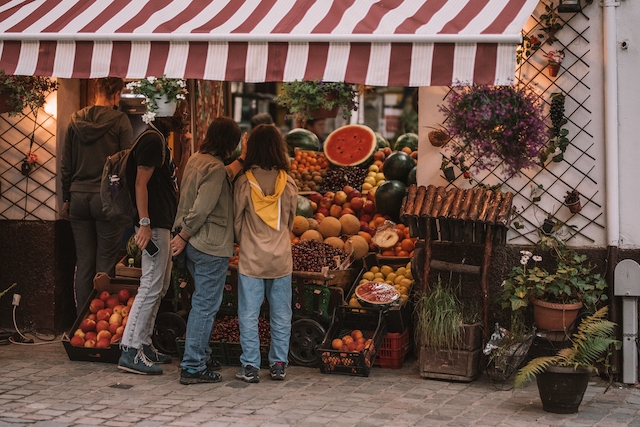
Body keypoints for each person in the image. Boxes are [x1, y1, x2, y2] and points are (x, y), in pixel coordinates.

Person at [170, 117, 247, 385]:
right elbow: (202, 207)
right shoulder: (215, 168)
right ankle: (192, 366)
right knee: (205, 306)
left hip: (194, 245)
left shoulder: (196, 160)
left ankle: (200, 354)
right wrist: (184, 234)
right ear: (230, 143)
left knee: (199, 303)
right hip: (209, 244)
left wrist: (183, 235)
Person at [60, 77, 134, 315]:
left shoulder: (74, 120)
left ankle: (81, 320)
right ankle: (101, 317)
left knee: (84, 262)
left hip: (79, 198)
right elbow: (127, 163)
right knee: (105, 263)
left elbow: (66, 165)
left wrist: (66, 198)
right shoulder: (120, 121)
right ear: (115, 93)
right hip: (107, 200)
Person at [117, 114, 182, 375]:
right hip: (153, 225)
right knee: (150, 285)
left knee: (160, 285)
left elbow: (167, 181)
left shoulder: (159, 139)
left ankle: (143, 343)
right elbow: (140, 183)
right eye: (179, 109)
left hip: (160, 223)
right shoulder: (153, 140)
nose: (183, 115)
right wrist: (144, 223)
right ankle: (131, 349)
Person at [233, 124, 298, 383]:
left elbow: (236, 222)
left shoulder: (243, 182)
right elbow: (291, 221)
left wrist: (244, 239)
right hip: (281, 258)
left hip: (251, 258)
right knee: (281, 313)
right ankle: (279, 363)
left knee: (249, 313)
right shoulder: (288, 182)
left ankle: (250, 366)